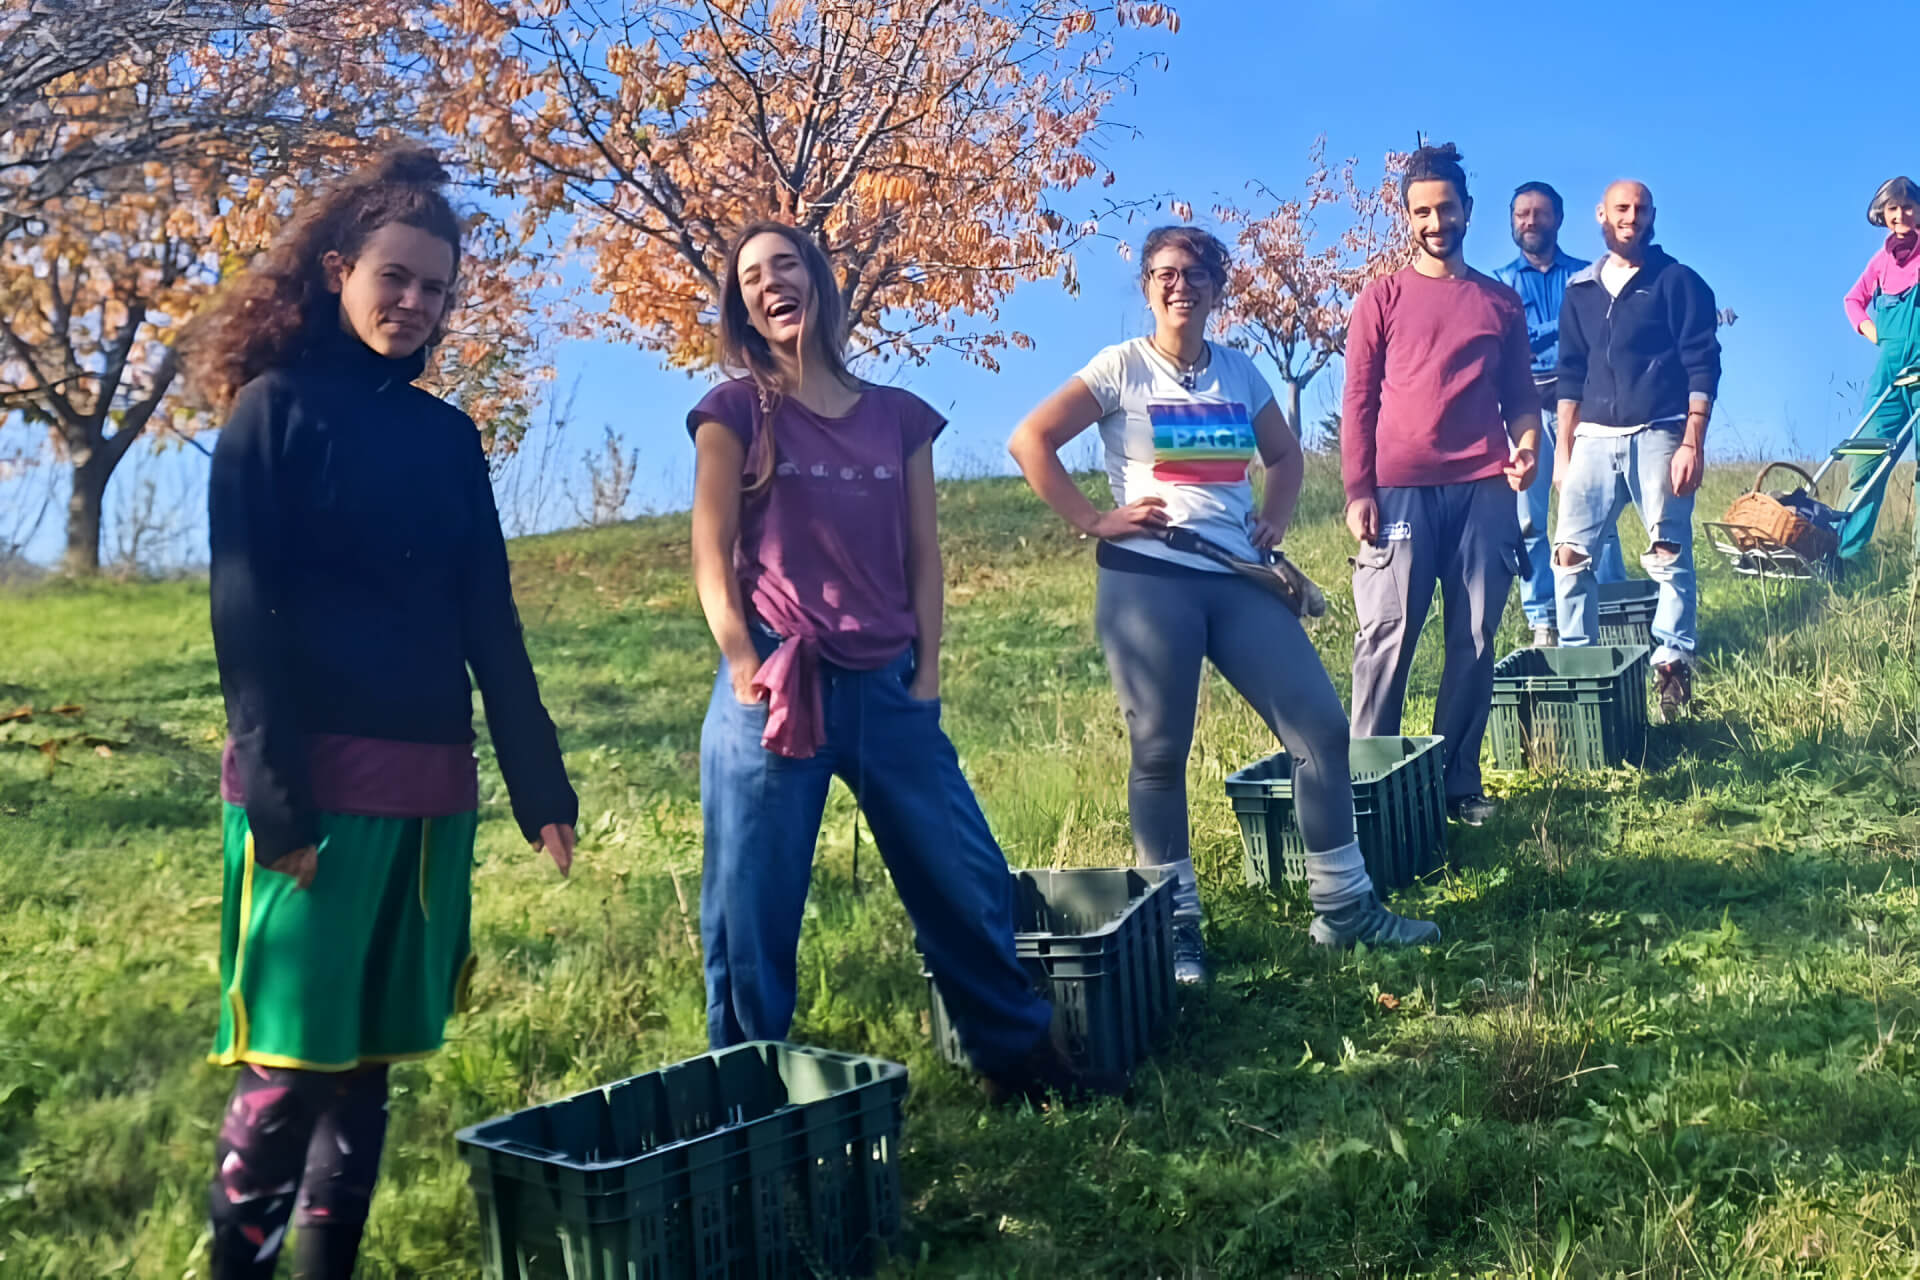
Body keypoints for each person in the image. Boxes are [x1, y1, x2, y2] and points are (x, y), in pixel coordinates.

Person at [182, 148, 579, 1279]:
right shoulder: (272, 412)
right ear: (339, 270)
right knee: (290, 1064)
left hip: (427, 795)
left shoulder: (449, 438)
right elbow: (242, 620)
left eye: (435, 289)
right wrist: (275, 794)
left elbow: (489, 625)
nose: (413, 303)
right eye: (394, 278)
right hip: (307, 793)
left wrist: (538, 784)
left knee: (366, 1067)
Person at [688, 221, 1088, 1106]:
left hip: (887, 685)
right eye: (751, 277)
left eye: (784, 265)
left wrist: (930, 668)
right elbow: (711, 551)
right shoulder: (733, 410)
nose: (769, 284)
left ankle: (1019, 1060)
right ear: (743, 306)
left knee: (963, 875)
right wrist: (741, 658)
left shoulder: (897, 417)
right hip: (776, 690)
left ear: (820, 282)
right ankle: (745, 1104)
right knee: (749, 912)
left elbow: (924, 555)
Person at [1009, 225, 1440, 985]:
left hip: (1239, 578)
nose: (1182, 285)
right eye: (1166, 273)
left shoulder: (1239, 373)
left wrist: (1274, 516)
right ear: (1147, 285)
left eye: (1198, 273)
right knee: (1160, 753)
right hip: (1149, 580)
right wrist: (1095, 520)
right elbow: (1030, 439)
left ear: (1218, 287)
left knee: (1320, 728)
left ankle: (1343, 909)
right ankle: (1177, 933)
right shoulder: (1120, 368)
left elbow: (1284, 457)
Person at [1343, 144, 1542, 828]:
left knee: (1476, 637)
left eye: (1446, 208)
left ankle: (1458, 785)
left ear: (1467, 211)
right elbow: (1359, 402)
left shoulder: (1499, 302)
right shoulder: (1382, 298)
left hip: (1483, 488)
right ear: (1407, 217)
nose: (1436, 222)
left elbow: (1521, 399)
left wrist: (1527, 448)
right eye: (1422, 211)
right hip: (1397, 490)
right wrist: (1357, 490)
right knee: (1388, 634)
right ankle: (1369, 782)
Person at [1553, 180, 1721, 721]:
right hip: (1592, 441)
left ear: (1653, 216)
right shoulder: (1579, 289)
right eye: (1622, 208)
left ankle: (1672, 666)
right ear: (1601, 214)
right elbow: (1570, 373)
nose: (1632, 217)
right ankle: (1578, 670)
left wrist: (1692, 438)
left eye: (1642, 209)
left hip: (1660, 432)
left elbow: (1703, 363)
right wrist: (1563, 451)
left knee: (1667, 555)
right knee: (1569, 557)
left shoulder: (1679, 282)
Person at [1492, 181, 1626, 643]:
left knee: (1598, 513)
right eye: (1521, 214)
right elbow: (1516, 343)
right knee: (1528, 519)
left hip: (1584, 407)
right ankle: (1543, 619)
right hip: (1524, 412)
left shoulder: (1587, 276)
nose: (1530, 221)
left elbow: (1602, 332)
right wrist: (1566, 326)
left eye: (1540, 213)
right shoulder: (1500, 284)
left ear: (1559, 219)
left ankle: (1613, 610)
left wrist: (1556, 331)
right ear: (1512, 222)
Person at [1838, 175, 1920, 563]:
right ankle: (1842, 554)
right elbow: (1853, 300)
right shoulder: (1881, 261)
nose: (1901, 214)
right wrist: (1872, 332)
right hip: (1889, 377)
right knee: (1866, 457)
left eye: (1908, 206)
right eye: (1893, 208)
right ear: (1882, 215)